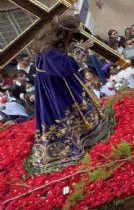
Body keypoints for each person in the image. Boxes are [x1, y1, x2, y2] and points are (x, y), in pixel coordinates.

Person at [29, 15, 110, 171]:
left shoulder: (47, 40)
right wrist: (81, 50)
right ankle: (68, 145)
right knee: (63, 111)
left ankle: (87, 131)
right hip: (57, 85)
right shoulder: (47, 51)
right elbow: (66, 68)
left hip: (59, 81)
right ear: (64, 33)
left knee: (79, 103)